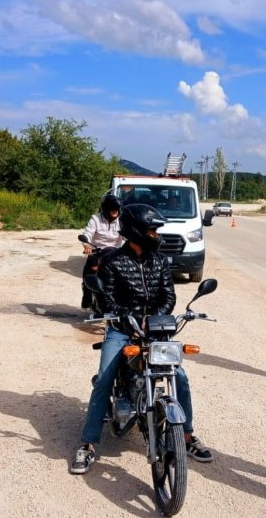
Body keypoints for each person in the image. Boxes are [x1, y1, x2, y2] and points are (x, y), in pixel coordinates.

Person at [70, 203, 213, 474]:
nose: (156, 235)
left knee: (180, 377)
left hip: (155, 330)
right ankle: (88, 444)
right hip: (122, 329)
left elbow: (168, 296)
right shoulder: (112, 261)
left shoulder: (159, 261)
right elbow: (106, 299)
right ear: (135, 231)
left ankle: (186, 436)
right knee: (104, 379)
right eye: (151, 231)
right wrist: (129, 318)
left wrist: (153, 318)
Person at [79, 193, 123, 308]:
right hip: (97, 252)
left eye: (117, 211)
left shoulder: (122, 220)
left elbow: (127, 235)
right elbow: (87, 233)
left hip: (116, 253)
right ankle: (87, 295)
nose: (115, 213)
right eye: (113, 211)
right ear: (106, 209)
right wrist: (86, 245)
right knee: (88, 273)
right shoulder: (95, 219)